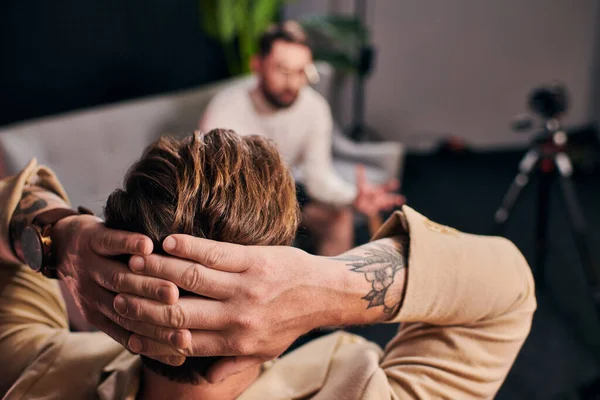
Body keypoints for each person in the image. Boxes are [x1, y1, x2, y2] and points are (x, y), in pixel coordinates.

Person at [0, 130, 536, 399]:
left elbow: (17, 194)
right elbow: (507, 293)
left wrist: (63, 238)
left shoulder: (37, 364)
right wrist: (327, 285)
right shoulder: (360, 388)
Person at [199, 21, 404, 256]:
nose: (293, 83)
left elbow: (318, 178)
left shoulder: (314, 108)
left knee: (338, 219)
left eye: (301, 72)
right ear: (257, 65)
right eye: (283, 71)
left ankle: (330, 289)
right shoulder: (225, 109)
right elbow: (214, 185)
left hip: (288, 190)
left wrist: (352, 198)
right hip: (240, 199)